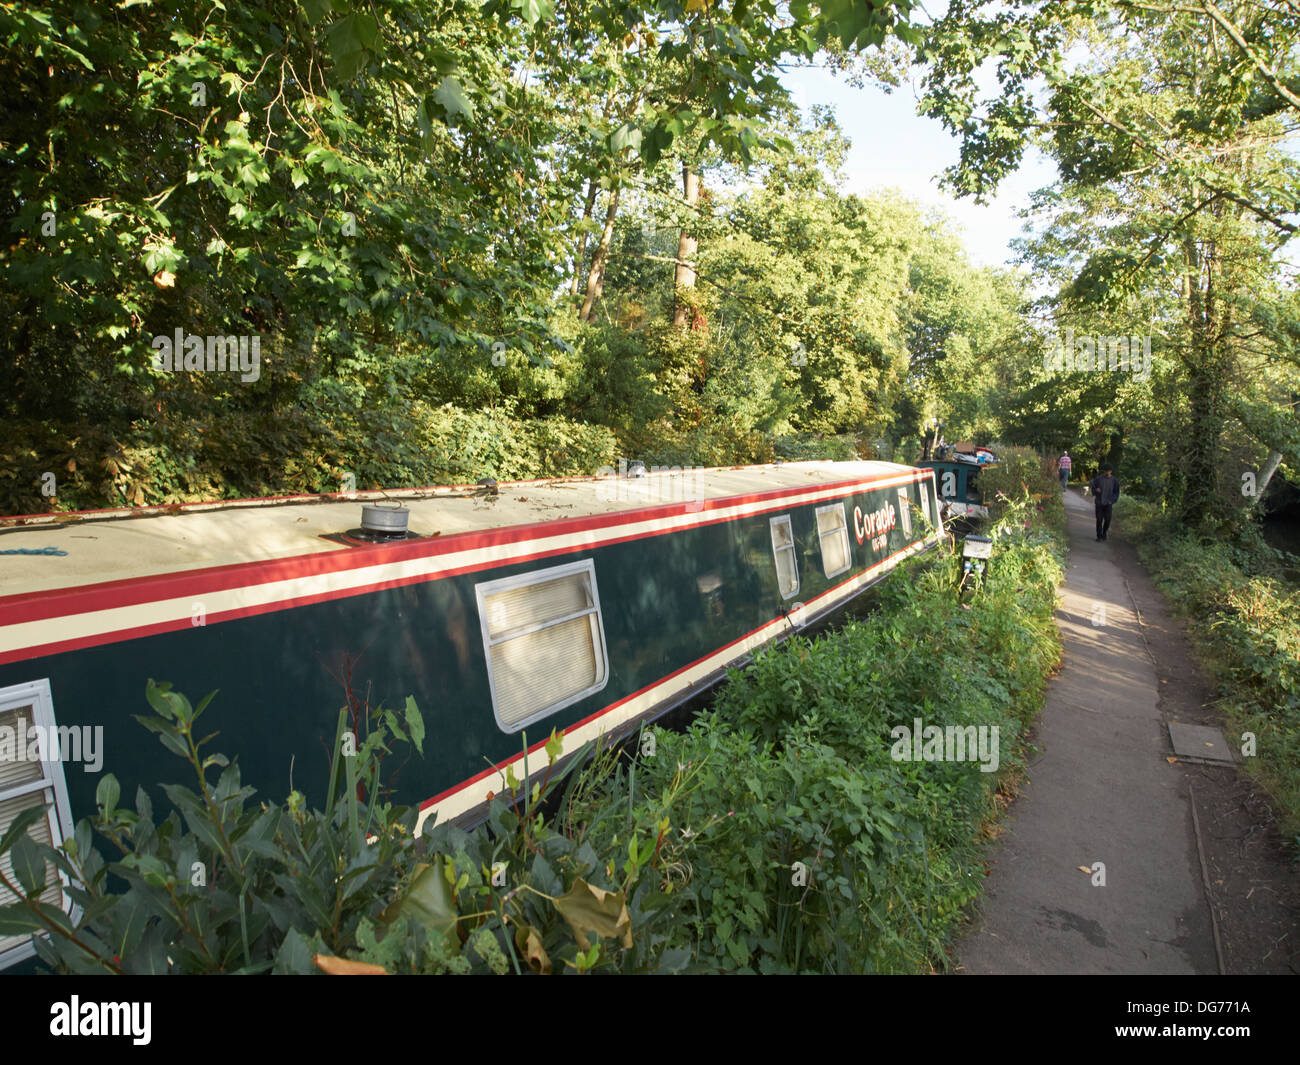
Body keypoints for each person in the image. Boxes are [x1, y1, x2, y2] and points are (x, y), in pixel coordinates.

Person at [1090, 465, 1120, 541]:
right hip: (1099, 502)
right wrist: (1096, 490)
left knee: (1108, 519)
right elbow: (1093, 487)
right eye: (1106, 470)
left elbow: (1116, 492)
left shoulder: (1115, 480)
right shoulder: (1098, 479)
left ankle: (1104, 532)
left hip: (1108, 503)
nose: (1107, 472)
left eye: (1109, 470)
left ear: (1111, 471)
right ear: (1104, 471)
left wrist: (1112, 500)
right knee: (1099, 519)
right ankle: (1099, 536)